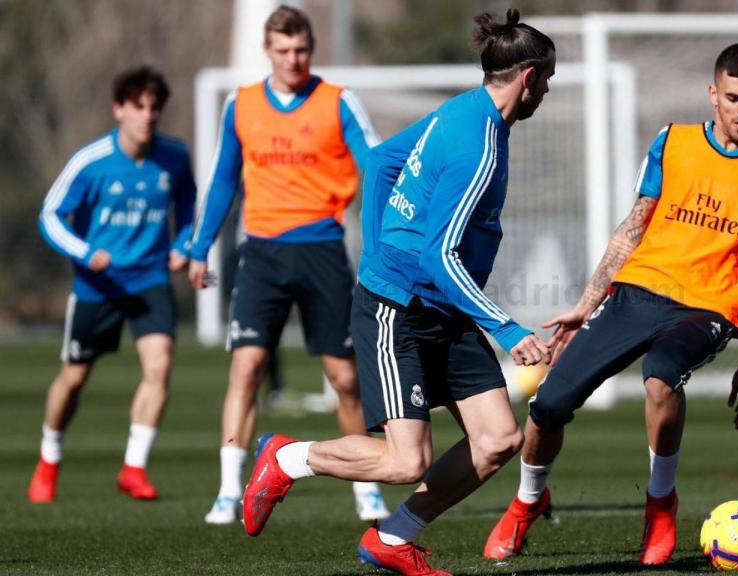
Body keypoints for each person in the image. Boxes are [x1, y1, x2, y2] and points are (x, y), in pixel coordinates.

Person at [239, 9, 556, 576]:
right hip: (399, 311)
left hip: (440, 306)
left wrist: (383, 241)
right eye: (548, 79)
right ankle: (287, 457)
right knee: (407, 460)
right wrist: (508, 330)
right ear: (529, 78)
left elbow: (383, 161)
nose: (549, 91)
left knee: (499, 438)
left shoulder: (464, 110)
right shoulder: (478, 144)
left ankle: (393, 537)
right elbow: (439, 255)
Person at [484, 43, 738, 565]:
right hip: (637, 294)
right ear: (713, 94)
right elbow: (631, 229)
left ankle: (660, 504)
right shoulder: (673, 142)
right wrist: (586, 303)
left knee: (660, 375)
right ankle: (528, 500)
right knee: (547, 406)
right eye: (732, 97)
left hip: (708, 310)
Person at [188, 5, 387, 524]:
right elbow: (223, 181)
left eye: (301, 49)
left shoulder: (338, 102)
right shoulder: (242, 104)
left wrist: (388, 234)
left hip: (323, 250)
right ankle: (230, 487)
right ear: (267, 51)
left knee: (345, 378)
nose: (294, 59)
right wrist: (199, 246)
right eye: (283, 50)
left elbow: (377, 167)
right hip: (262, 253)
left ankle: (366, 485)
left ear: (311, 49)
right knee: (248, 366)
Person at [30, 66, 196, 503]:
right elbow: (50, 215)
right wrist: (85, 253)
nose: (147, 116)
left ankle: (134, 468)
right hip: (97, 286)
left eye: (154, 108)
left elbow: (189, 207)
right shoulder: (91, 161)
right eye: (138, 107)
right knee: (74, 378)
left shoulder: (175, 157)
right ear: (119, 109)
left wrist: (183, 244)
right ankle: (49, 457)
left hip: (150, 278)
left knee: (159, 367)